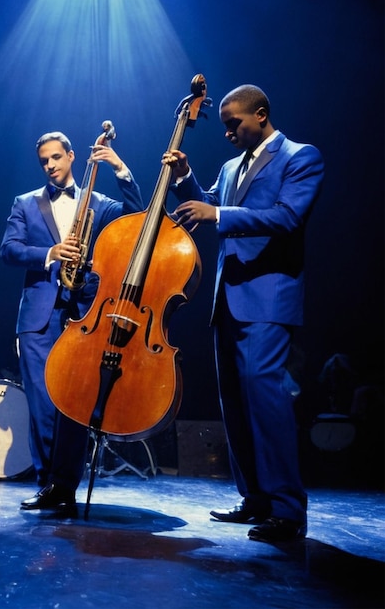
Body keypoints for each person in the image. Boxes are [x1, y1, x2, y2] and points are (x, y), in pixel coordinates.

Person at [164, 84, 324, 542]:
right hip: (227, 299)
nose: (229, 132)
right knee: (234, 402)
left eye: (235, 123)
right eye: (225, 125)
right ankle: (254, 498)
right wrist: (185, 176)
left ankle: (288, 508)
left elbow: (287, 216)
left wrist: (219, 214)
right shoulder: (233, 166)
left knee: (266, 400)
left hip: (269, 299)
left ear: (261, 113)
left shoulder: (300, 156)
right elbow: (206, 203)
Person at [1, 131, 144, 513]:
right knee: (42, 405)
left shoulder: (100, 202)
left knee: (74, 405)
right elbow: (9, 250)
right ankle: (47, 483)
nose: (49, 166)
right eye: (44, 161)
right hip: (38, 317)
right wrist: (50, 252)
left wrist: (119, 167)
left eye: (55, 158)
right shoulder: (25, 202)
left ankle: (64, 488)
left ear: (72, 157)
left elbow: (138, 215)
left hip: (84, 314)